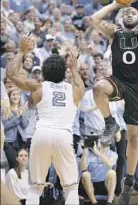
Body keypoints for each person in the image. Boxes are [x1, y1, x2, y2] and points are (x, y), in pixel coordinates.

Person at [91, 0, 138, 204]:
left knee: (134, 137)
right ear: (120, 18)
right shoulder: (114, 33)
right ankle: (110, 123)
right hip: (118, 81)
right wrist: (114, 4)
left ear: (137, 17)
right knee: (98, 87)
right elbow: (94, 20)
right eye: (125, 11)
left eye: (132, 11)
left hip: (137, 87)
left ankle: (128, 182)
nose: (129, 12)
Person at [7, 34, 85, 205]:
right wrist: (73, 68)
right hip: (63, 136)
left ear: (44, 72)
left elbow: (11, 74)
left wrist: (21, 51)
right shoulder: (74, 90)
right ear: (63, 71)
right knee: (71, 187)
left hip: (41, 134)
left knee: (36, 187)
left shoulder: (38, 86)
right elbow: (82, 86)